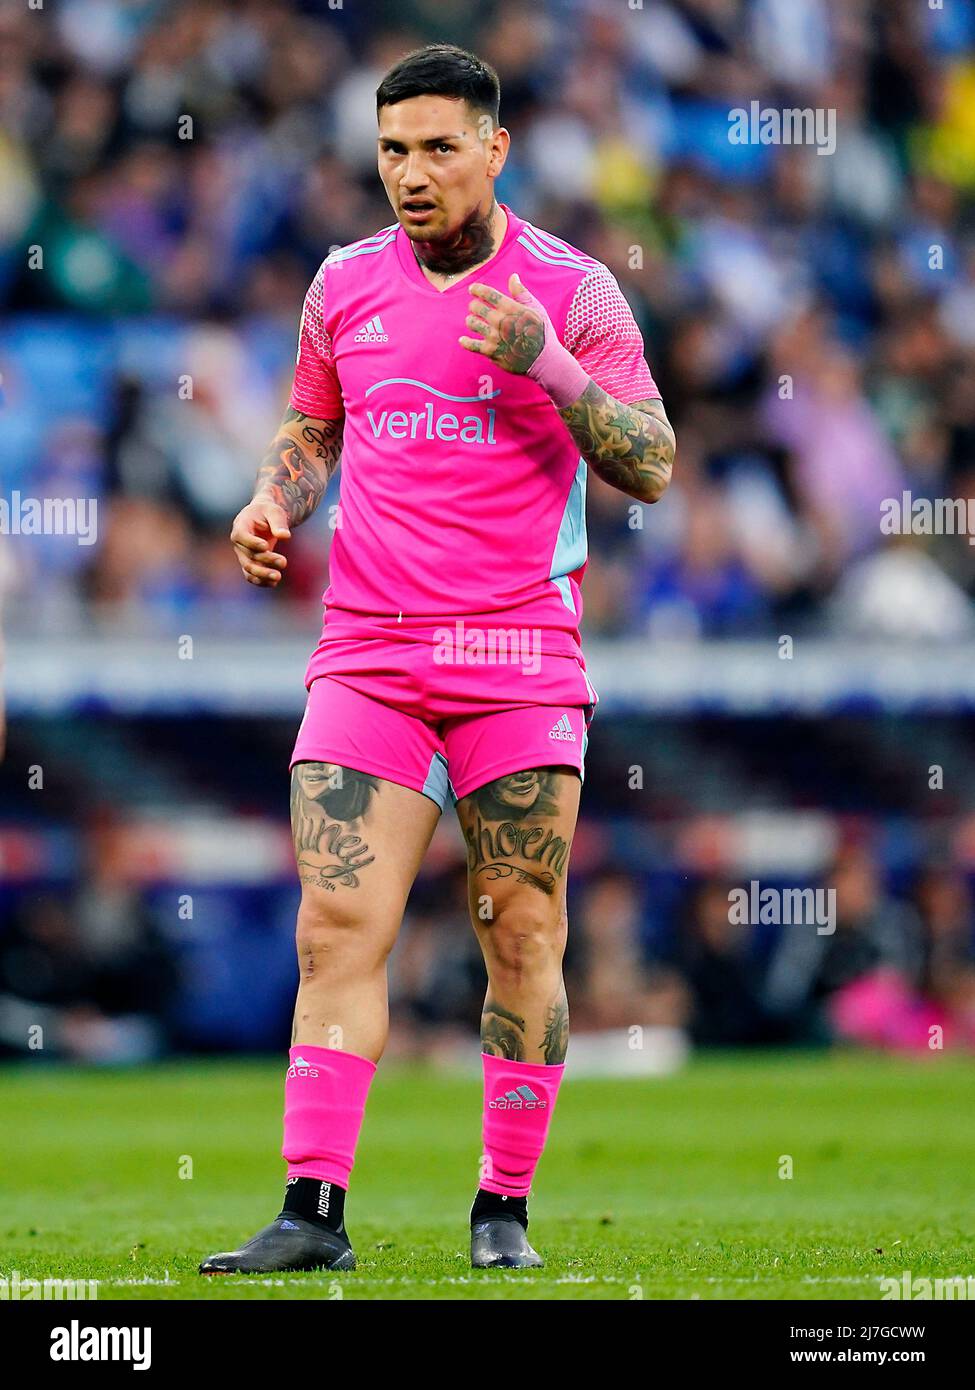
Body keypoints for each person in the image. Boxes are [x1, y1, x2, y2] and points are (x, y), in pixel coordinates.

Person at [201, 43, 674, 1276]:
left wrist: (548, 367)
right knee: (336, 926)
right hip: (368, 652)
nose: (411, 173)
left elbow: (654, 464)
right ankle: (313, 1213)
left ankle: (501, 1208)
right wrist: (271, 502)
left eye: (438, 148)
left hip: (519, 655)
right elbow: (311, 428)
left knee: (520, 928)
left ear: (495, 148)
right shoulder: (343, 283)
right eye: (394, 149)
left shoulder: (572, 292)